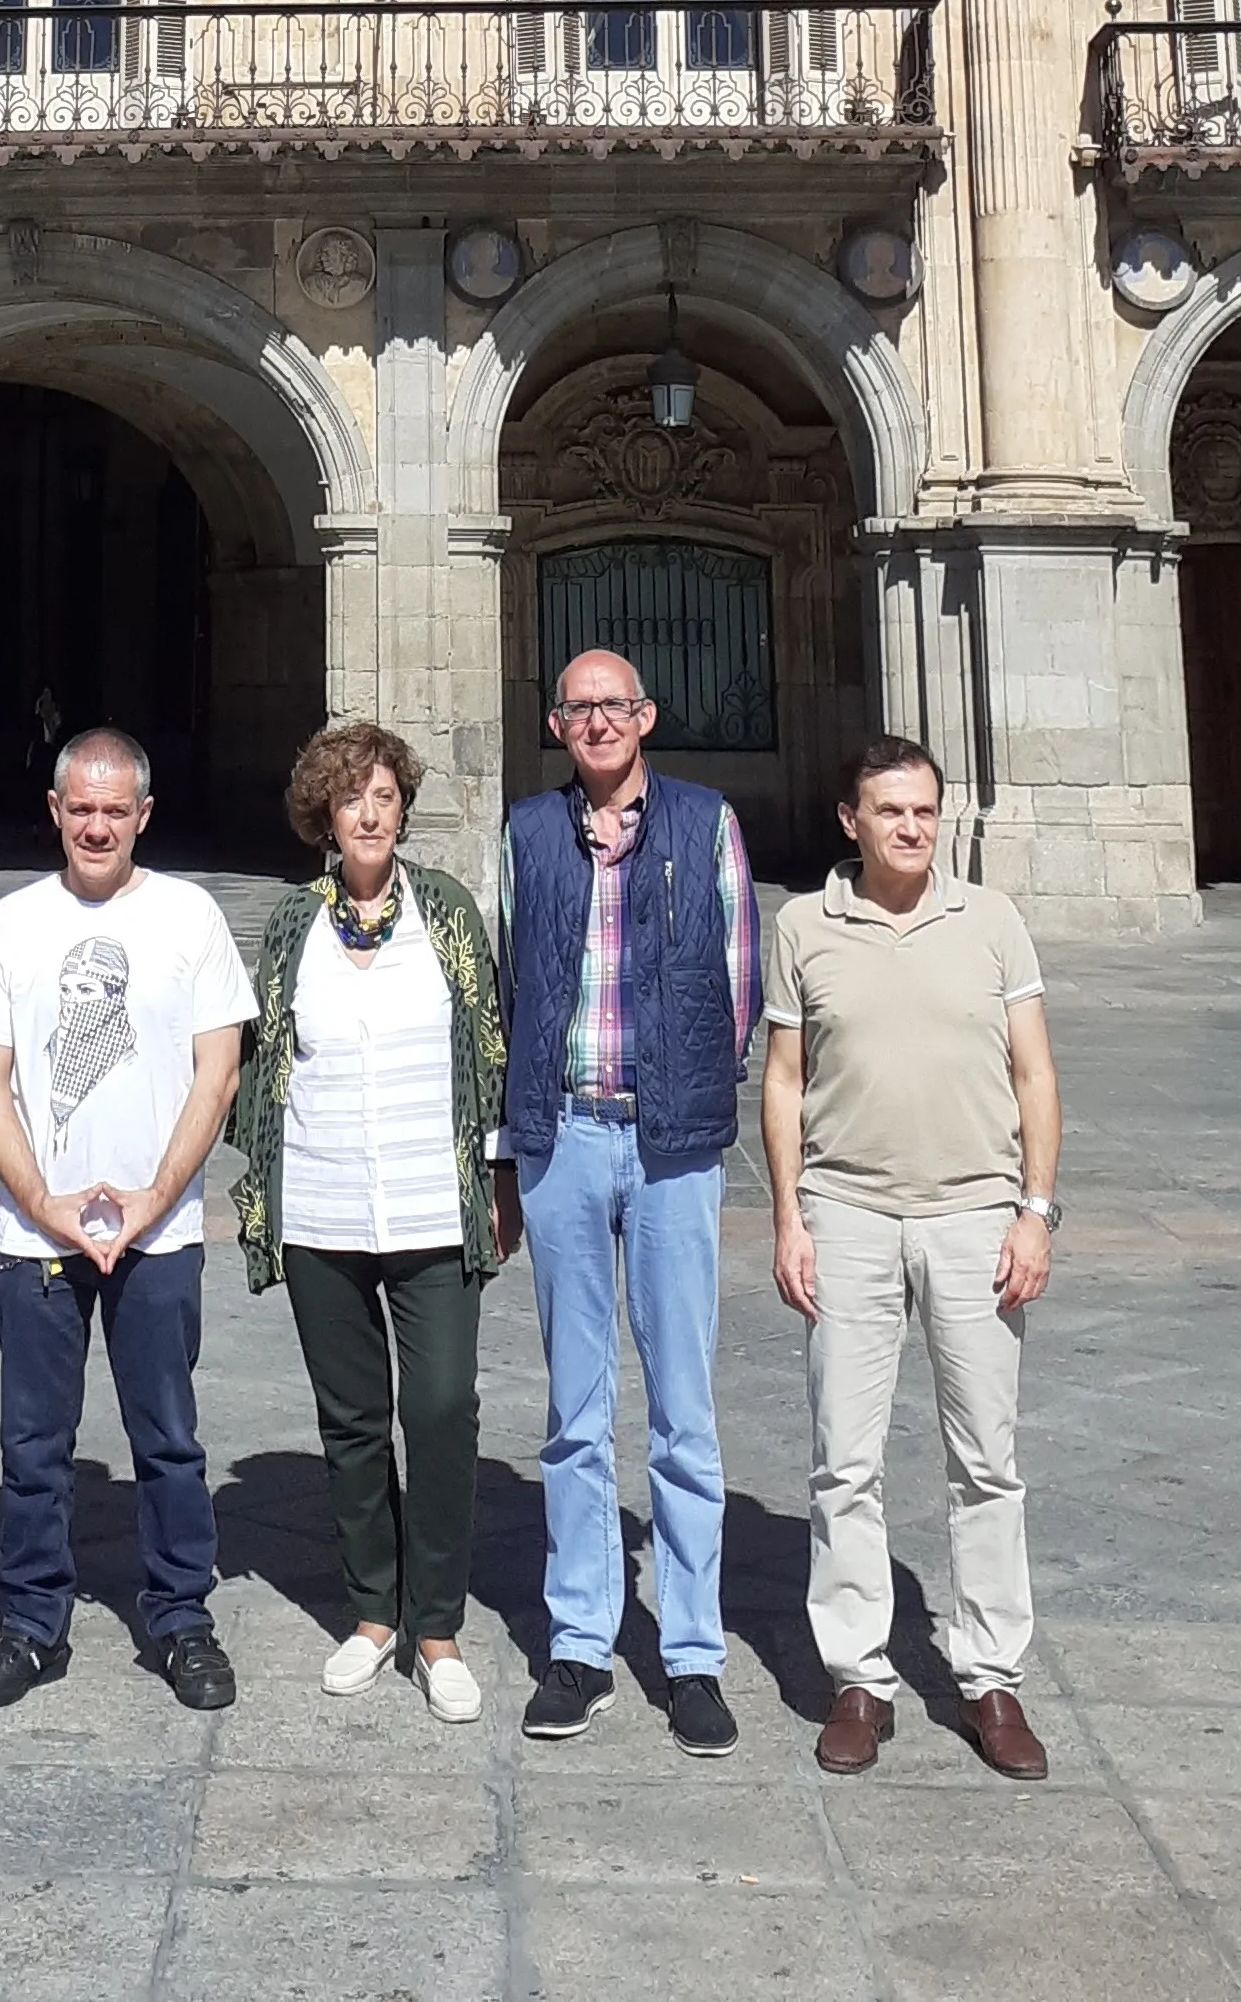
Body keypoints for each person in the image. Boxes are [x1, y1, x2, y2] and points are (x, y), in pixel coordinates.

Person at [762, 735, 1061, 1782]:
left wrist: (1034, 1212)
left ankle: (989, 1675)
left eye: (925, 810)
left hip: (975, 1215)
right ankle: (857, 1677)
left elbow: (1032, 1072)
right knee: (843, 1458)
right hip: (846, 1212)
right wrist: (788, 1216)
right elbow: (784, 1079)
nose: (910, 827)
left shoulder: (989, 920)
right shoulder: (803, 924)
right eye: (889, 810)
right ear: (849, 818)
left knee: (985, 1456)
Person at [0, 726, 255, 1712]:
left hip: (157, 1232)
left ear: (142, 816)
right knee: (32, 1442)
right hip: (35, 1236)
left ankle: (179, 1617)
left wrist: (153, 1196)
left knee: (167, 1434)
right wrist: (39, 1201)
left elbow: (217, 1072)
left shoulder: (190, 916)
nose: (94, 823)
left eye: (112, 808)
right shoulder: (9, 925)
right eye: (79, 807)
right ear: (54, 811)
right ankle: (30, 1619)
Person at [497, 648, 759, 1759]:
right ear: (555, 725)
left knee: (684, 1412)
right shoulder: (525, 833)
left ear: (645, 715)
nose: (596, 721)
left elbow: (739, 982)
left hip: (669, 1142)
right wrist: (508, 1145)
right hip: (560, 1136)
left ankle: (692, 1651)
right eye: (576, 707)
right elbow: (509, 982)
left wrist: (691, 1086)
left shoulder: (703, 822)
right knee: (573, 1409)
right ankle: (578, 1640)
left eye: (613, 704)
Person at [228, 723, 509, 1724]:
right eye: (351, 798)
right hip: (322, 1204)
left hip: (432, 1206)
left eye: (384, 795)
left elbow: (487, 1040)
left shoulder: (444, 911)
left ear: (401, 807)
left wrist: (497, 1176)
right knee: (350, 1423)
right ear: (324, 814)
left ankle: (435, 1626)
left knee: (437, 1411)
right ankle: (370, 1613)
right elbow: (257, 1056)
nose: (369, 813)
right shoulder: (287, 926)